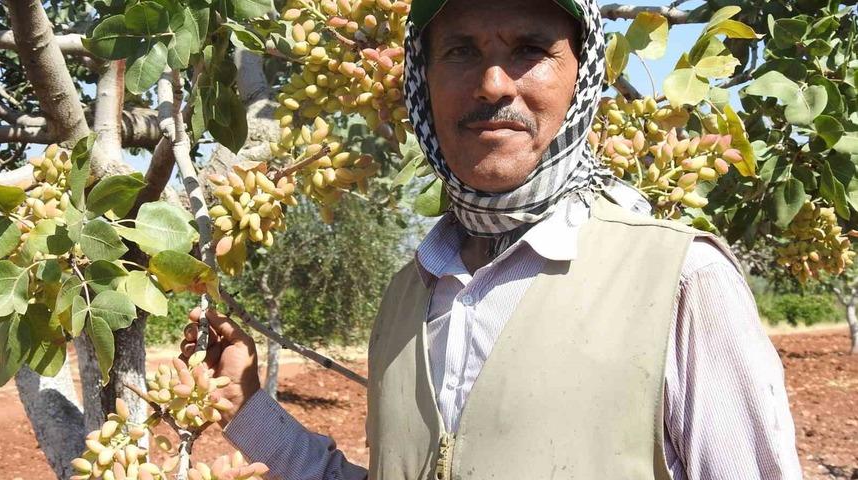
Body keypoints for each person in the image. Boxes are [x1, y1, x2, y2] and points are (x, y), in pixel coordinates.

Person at [180, 0, 803, 478]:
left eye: (530, 49)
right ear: (421, 80)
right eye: (460, 51)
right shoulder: (407, 296)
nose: (494, 84)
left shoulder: (682, 281)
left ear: (582, 77)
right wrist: (249, 411)